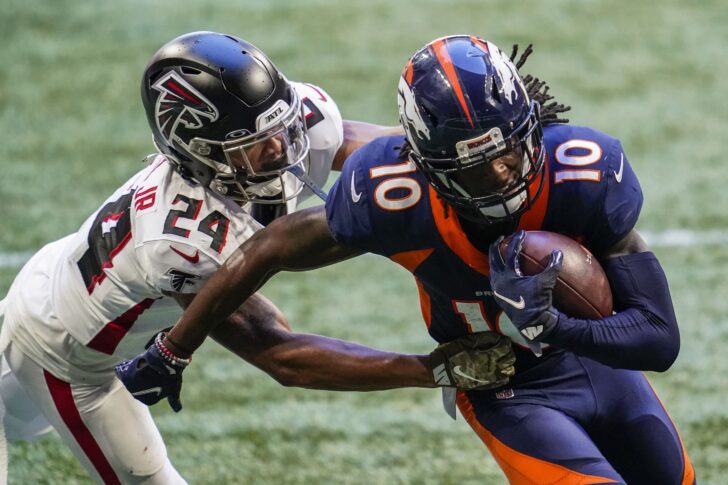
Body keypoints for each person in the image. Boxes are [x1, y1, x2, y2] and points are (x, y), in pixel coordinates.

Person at [118, 35, 697, 484]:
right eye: (473, 166)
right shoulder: (396, 200)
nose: (501, 174)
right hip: (509, 389)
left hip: (607, 368)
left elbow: (658, 339)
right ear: (431, 166)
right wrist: (174, 349)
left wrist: (556, 324)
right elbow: (270, 248)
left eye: (510, 148)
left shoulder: (583, 173)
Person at [0, 31, 517, 484]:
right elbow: (279, 352)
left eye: (284, 129)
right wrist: (431, 370)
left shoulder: (288, 122)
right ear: (195, 152)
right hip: (64, 352)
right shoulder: (181, 237)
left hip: (53, 277)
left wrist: (465, 159)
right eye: (254, 146)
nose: (282, 150)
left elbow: (393, 162)